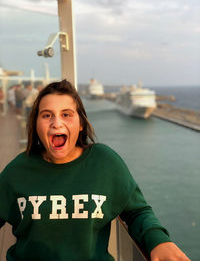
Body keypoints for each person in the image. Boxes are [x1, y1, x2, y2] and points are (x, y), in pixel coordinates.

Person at [0, 79, 190, 261]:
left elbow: (137, 212)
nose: (56, 123)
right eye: (47, 115)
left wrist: (159, 241)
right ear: (35, 124)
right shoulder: (19, 170)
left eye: (66, 114)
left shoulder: (104, 162)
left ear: (81, 124)